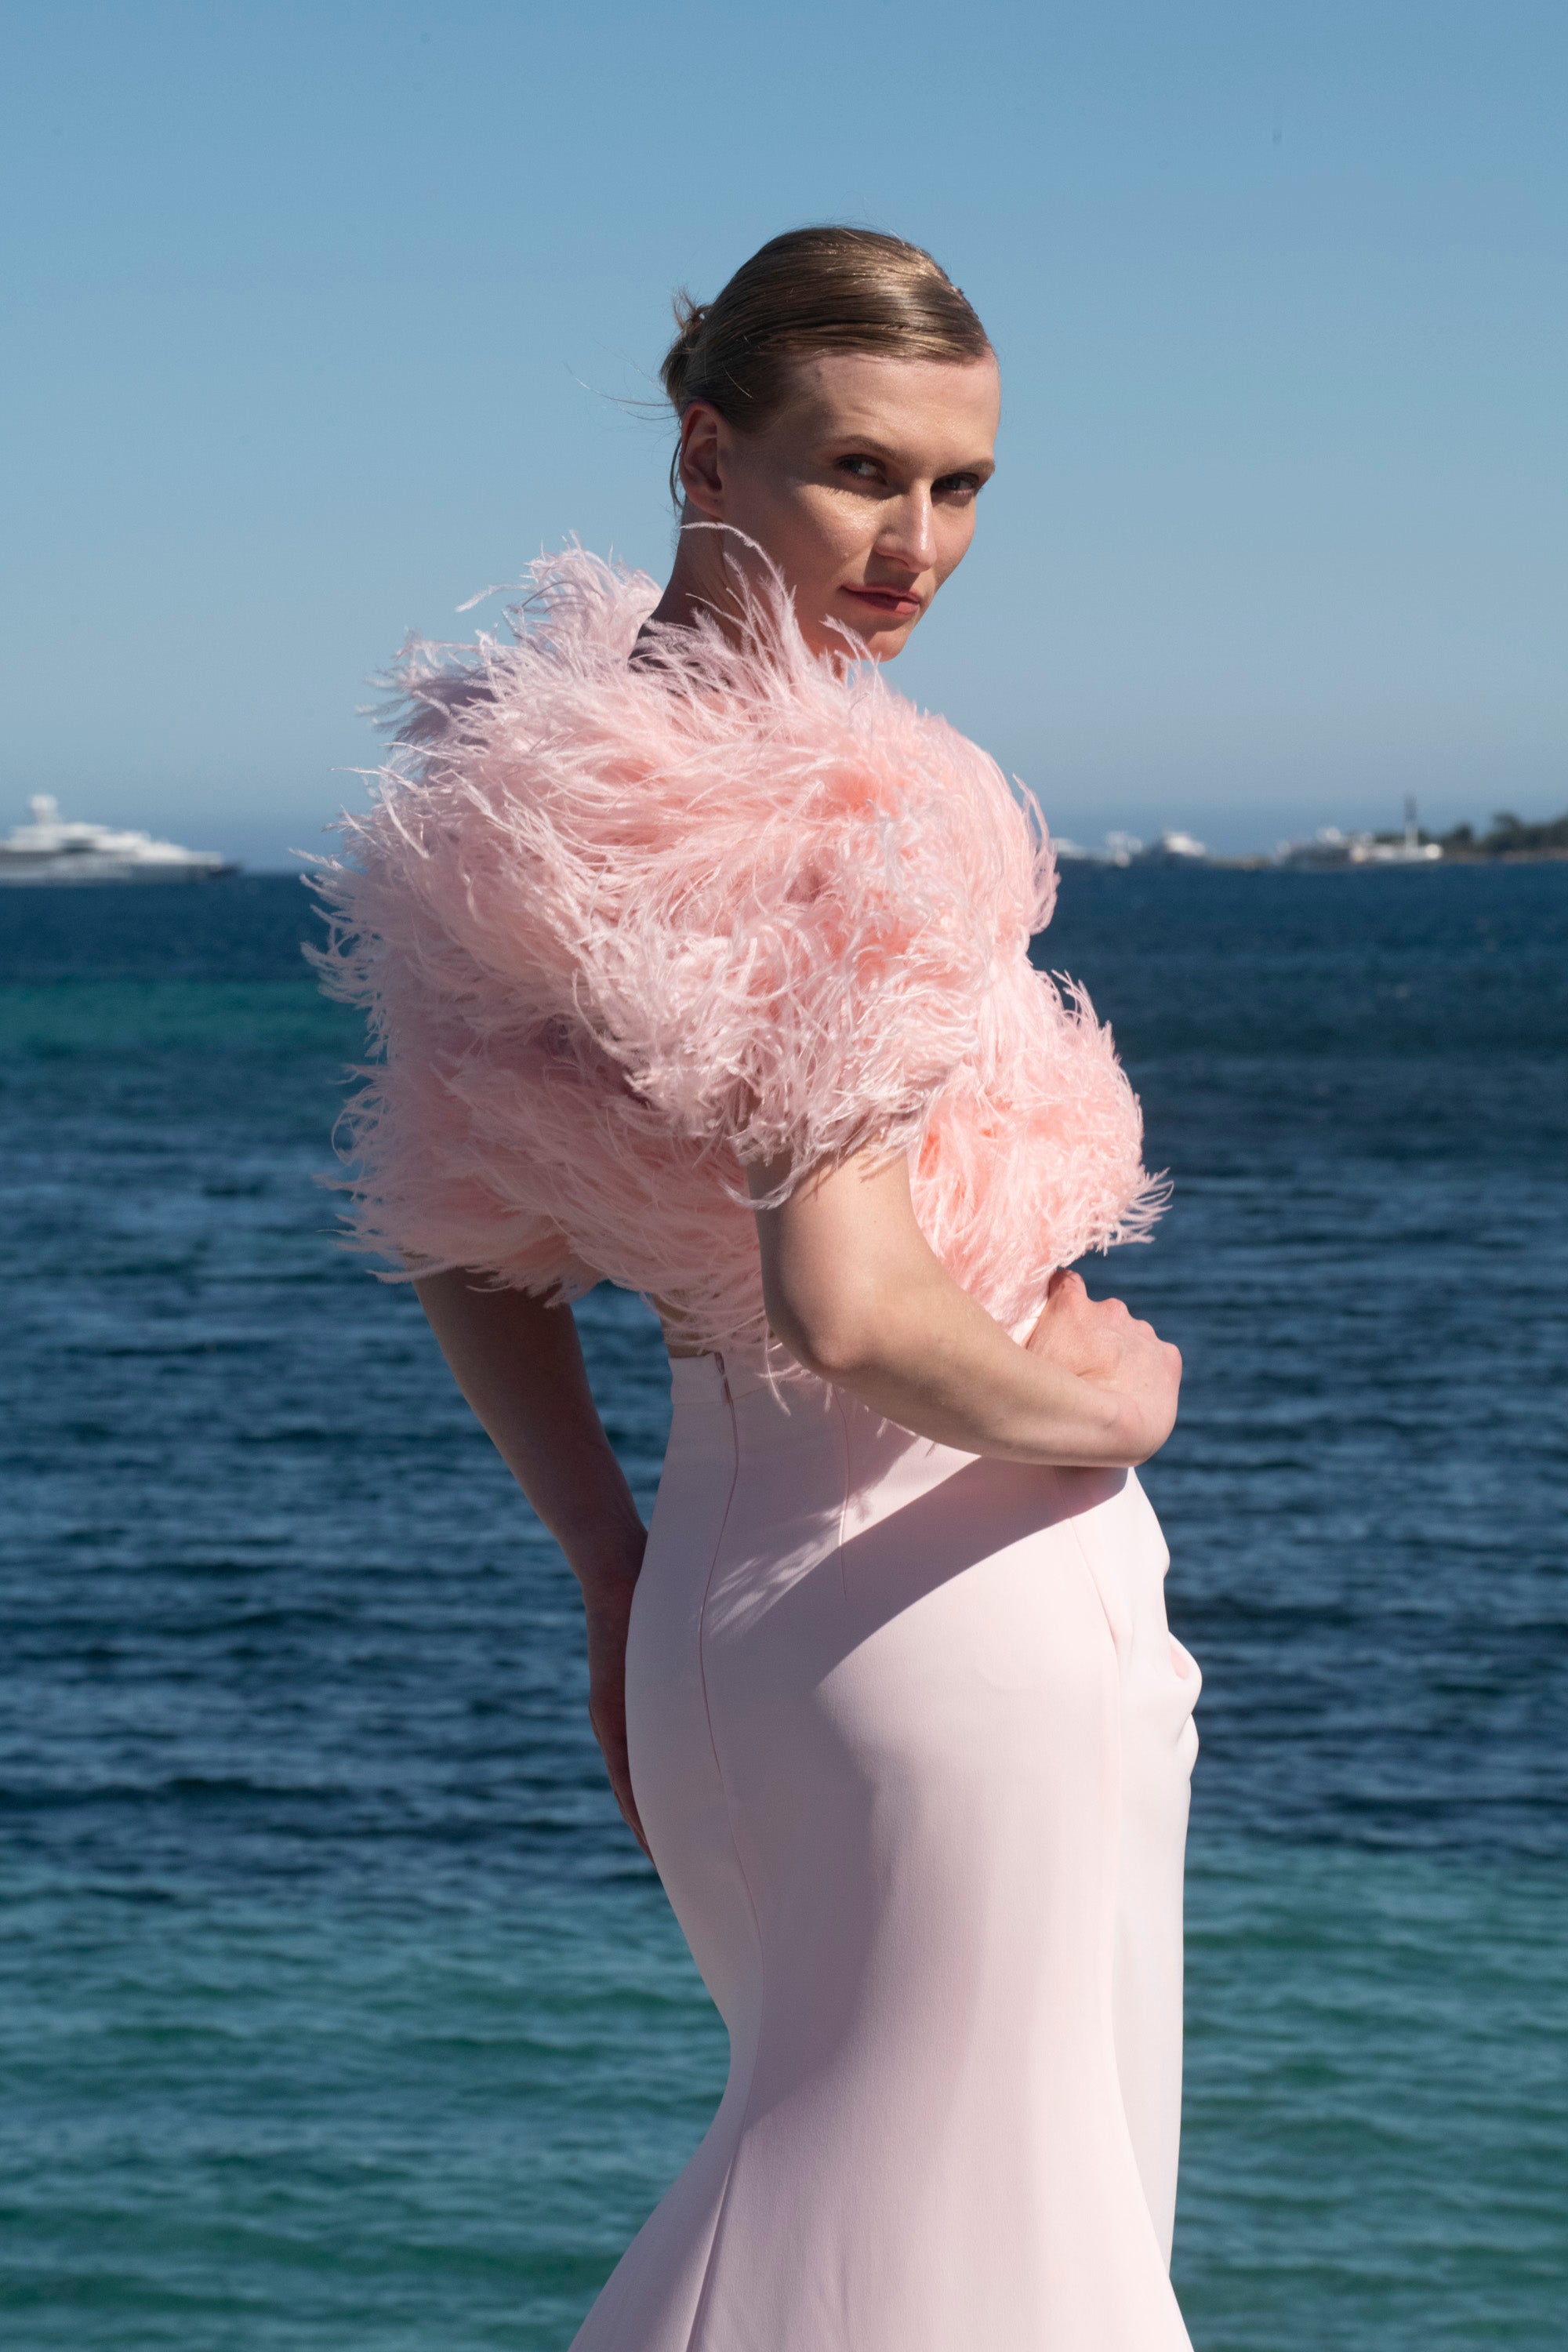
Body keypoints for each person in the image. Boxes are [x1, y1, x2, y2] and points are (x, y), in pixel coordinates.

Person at [314, 226, 1200, 2351]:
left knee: (911, 2217)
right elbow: (856, 1304)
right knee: (994, 2256)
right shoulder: (856, 804)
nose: (919, 546)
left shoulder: (530, 786)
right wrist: (1111, 1412)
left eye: (962, 486)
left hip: (732, 1613)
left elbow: (463, 1234)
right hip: (945, 1625)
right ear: (708, 452)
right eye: (861, 471)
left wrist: (615, 1572)